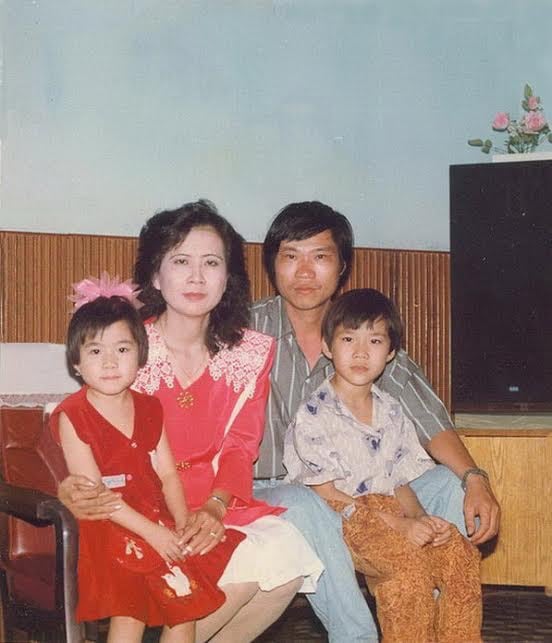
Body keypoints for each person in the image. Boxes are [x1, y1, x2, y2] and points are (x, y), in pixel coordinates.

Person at [58, 200, 323, 643]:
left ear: (228, 277)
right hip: (140, 510)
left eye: (211, 263)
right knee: (226, 571)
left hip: (214, 504)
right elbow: (83, 426)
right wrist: (70, 485)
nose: (197, 277)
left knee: (286, 556)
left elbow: (241, 445)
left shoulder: (249, 353)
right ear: (156, 276)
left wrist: (216, 507)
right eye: (181, 261)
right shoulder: (123, 347)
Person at [250, 200, 500, 642]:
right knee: (304, 499)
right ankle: (357, 636)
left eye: (320, 256)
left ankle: (435, 627)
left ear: (342, 266)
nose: (305, 272)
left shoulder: (368, 334)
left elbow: (430, 421)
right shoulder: (243, 333)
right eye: (291, 256)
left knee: (448, 483)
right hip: (277, 490)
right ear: (272, 264)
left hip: (366, 489)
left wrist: (475, 479)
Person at [284, 288, 482, 643]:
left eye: (375, 341)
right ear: (327, 346)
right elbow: (326, 494)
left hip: (390, 512)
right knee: (408, 569)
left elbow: (399, 480)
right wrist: (401, 525)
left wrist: (420, 519)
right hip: (341, 520)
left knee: (459, 555)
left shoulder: (390, 410)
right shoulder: (314, 413)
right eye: (348, 339)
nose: (361, 352)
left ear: (391, 353)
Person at [50, 286, 246, 643]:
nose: (110, 362)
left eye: (122, 349)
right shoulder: (73, 415)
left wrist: (183, 523)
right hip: (108, 524)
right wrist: (153, 534)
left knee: (185, 602)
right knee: (132, 609)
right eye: (95, 351)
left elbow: (167, 474)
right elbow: (96, 496)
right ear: (76, 363)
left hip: (153, 516)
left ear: (141, 355)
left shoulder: (150, 407)